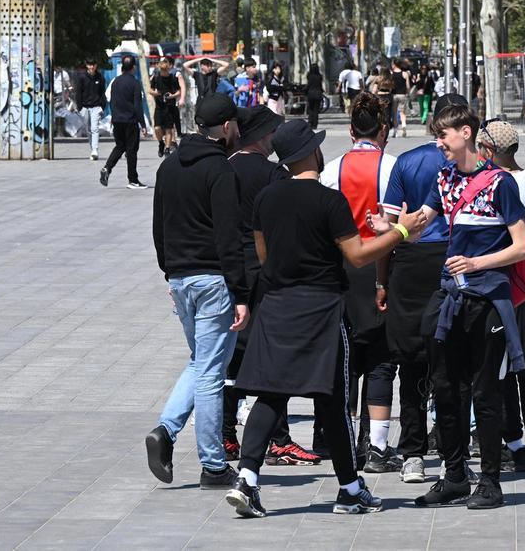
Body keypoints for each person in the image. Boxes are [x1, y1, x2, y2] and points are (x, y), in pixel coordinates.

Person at [224, 119, 428, 518]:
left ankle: (247, 479)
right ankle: (350, 489)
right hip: (320, 309)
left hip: (277, 304)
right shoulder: (329, 201)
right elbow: (357, 255)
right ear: (312, 154)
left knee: (270, 392)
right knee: (333, 399)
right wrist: (403, 231)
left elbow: (264, 257)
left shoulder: (266, 198)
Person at [411, 103, 525, 510]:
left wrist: (477, 262)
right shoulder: (443, 178)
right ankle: (455, 475)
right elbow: (422, 220)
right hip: (451, 297)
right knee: (445, 388)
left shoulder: (501, 183)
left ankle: (491, 481)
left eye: (443, 135)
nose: (438, 143)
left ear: (466, 133)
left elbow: (522, 247)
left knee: (486, 391)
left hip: (488, 301)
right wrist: (391, 229)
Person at [147, 93, 250, 491]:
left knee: (200, 362)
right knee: (211, 371)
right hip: (213, 282)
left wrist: (170, 272)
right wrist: (241, 293)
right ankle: (212, 464)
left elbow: (159, 228)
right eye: (235, 125)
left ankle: (165, 432)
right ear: (225, 127)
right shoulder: (220, 171)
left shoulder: (168, 166)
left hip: (180, 279)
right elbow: (229, 238)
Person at [221, 106, 321, 467]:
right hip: (263, 271)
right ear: (263, 136)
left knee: (231, 355)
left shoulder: (224, 168)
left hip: (227, 270)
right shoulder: (274, 175)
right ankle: (279, 438)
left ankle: (226, 434)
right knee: (271, 356)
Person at [379, 93, 467, 484]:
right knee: (452, 362)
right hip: (452, 259)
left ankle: (412, 451)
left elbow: (390, 222)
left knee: (410, 361)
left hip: (410, 261)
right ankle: (454, 450)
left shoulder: (407, 161)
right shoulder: (469, 165)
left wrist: (382, 279)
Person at [321, 93, 401, 474]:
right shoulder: (392, 167)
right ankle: (378, 444)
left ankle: (342, 437)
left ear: (351, 130)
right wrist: (384, 281)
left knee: (345, 357)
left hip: (341, 268)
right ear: (383, 129)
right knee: (381, 357)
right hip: (379, 267)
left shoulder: (332, 169)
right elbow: (395, 227)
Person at [476, 120, 525, 472]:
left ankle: (521, 441)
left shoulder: (500, 183)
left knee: (510, 369)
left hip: (507, 284)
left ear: (490, 151)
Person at [100, 55, 146, 189]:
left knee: (120, 146)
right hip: (130, 120)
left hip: (117, 120)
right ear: (134, 67)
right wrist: (142, 124)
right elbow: (138, 106)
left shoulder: (115, 82)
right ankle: (133, 180)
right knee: (131, 150)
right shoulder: (135, 83)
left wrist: (113, 118)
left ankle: (107, 168)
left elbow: (112, 102)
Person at [149, 56, 186, 158]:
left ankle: (167, 148)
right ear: (160, 69)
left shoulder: (173, 78)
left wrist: (173, 96)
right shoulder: (156, 78)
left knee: (169, 129)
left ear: (168, 68)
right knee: (157, 128)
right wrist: (156, 93)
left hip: (169, 106)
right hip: (159, 106)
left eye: (166, 70)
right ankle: (161, 142)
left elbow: (178, 90)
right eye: (162, 70)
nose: (164, 72)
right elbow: (150, 90)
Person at [72, 58, 107, 160]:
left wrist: (102, 106)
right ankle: (92, 149)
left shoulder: (100, 77)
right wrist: (80, 107)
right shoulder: (82, 77)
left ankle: (95, 150)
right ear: (87, 65)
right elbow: (78, 93)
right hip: (85, 107)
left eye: (93, 65)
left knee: (94, 128)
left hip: (96, 107)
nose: (91, 67)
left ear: (96, 65)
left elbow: (102, 93)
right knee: (88, 129)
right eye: (89, 65)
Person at [391, 58, 410, 137]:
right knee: (402, 112)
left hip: (394, 95)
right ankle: (404, 126)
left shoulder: (391, 74)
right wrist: (407, 94)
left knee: (395, 113)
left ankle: (395, 131)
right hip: (403, 95)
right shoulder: (405, 74)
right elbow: (408, 86)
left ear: (394, 65)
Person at [305, 63, 324, 129]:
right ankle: (315, 124)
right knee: (316, 110)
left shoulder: (310, 76)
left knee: (311, 109)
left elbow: (309, 85)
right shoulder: (320, 76)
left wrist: (305, 90)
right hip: (318, 94)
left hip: (311, 94)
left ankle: (310, 122)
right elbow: (320, 85)